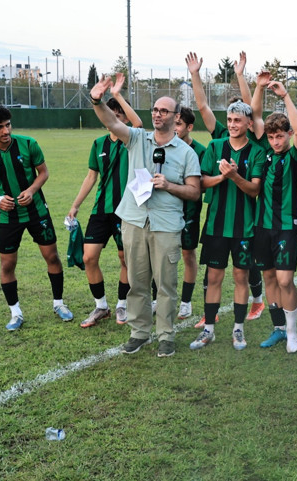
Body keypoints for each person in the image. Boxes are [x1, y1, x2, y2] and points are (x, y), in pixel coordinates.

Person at [89, 75, 201, 358]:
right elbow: (111, 123)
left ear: (176, 117)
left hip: (165, 225)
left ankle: (165, 335)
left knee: (165, 284)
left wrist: (169, 186)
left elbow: (194, 192)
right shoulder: (137, 138)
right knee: (137, 282)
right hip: (135, 220)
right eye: (154, 109)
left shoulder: (187, 153)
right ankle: (139, 333)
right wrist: (96, 100)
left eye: (164, 111)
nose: (157, 114)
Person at [0, 104, 74, 330]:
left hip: (38, 211)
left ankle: (59, 304)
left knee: (52, 257)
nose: (6, 131)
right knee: (7, 264)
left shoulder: (29, 144)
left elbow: (43, 172)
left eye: (8, 125)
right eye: (0, 127)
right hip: (8, 217)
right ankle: (15, 313)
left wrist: (32, 190)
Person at [186, 51, 266, 325]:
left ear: (246, 123)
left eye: (237, 120)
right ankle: (210, 320)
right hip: (217, 223)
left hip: (245, 223)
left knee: (244, 273)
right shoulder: (218, 139)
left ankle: (249, 312)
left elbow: (252, 110)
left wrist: (242, 75)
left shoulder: (255, 144)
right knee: (214, 274)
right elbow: (203, 105)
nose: (232, 124)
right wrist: (195, 74)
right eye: (229, 119)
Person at [70, 73, 141, 328]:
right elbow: (91, 177)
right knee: (89, 257)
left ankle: (122, 305)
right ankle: (101, 306)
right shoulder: (98, 143)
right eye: (112, 115)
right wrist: (76, 205)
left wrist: (118, 96)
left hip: (126, 210)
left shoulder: (131, 140)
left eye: (119, 115)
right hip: (101, 209)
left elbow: (139, 122)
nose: (116, 119)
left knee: (125, 260)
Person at [249, 77, 297, 353]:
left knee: (285, 280)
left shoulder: (295, 157)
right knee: (269, 278)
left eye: (279, 136)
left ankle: (293, 332)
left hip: (286, 226)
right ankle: (279, 329)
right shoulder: (264, 151)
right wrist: (258, 88)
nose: (275, 141)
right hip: (262, 226)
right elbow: (256, 115)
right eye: (271, 137)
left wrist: (285, 97)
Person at [170, 106, 207, 320]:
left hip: (189, 209)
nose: (174, 128)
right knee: (163, 253)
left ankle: (185, 302)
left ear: (189, 127)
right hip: (166, 208)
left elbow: (201, 184)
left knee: (187, 253)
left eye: (178, 124)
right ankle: (159, 297)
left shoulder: (200, 151)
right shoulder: (164, 146)